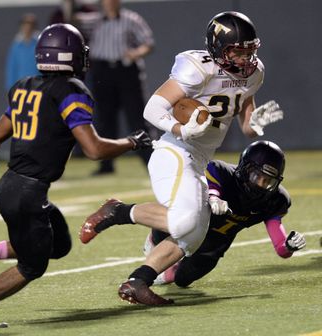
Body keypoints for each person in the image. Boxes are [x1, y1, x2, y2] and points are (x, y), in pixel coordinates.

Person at [0, 23, 151, 329]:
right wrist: (132, 142)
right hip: (26, 194)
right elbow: (94, 149)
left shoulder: (24, 87)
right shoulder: (70, 91)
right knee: (32, 265)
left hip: (14, 187)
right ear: (70, 56)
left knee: (58, 245)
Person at [79, 11, 284, 305]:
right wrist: (180, 128)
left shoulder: (254, 73)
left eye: (250, 51)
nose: (245, 60)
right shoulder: (198, 69)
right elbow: (152, 109)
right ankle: (118, 211)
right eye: (238, 52)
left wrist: (256, 123)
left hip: (200, 160)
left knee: (194, 235)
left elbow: (245, 123)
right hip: (175, 151)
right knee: (186, 222)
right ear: (217, 48)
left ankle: (138, 282)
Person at [144, 141, 306, 287]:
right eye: (257, 176)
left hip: (214, 244)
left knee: (183, 279)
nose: (260, 185)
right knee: (174, 222)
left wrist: (288, 246)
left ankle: (171, 270)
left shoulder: (275, 200)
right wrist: (214, 198)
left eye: (268, 181)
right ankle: (154, 239)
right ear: (245, 168)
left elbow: (280, 248)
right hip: (195, 224)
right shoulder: (222, 172)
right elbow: (210, 178)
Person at [84, 0, 155, 175]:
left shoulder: (131, 19)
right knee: (105, 119)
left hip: (126, 70)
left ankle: (151, 162)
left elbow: (148, 42)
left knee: (136, 118)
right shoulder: (94, 20)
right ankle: (106, 165)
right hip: (101, 70)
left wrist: (137, 53)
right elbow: (72, 21)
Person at [5, 13, 40, 91]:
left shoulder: (39, 45)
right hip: (21, 89)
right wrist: (11, 89)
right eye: (25, 24)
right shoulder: (16, 47)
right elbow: (11, 69)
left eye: (31, 24)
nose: (28, 27)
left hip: (37, 88)